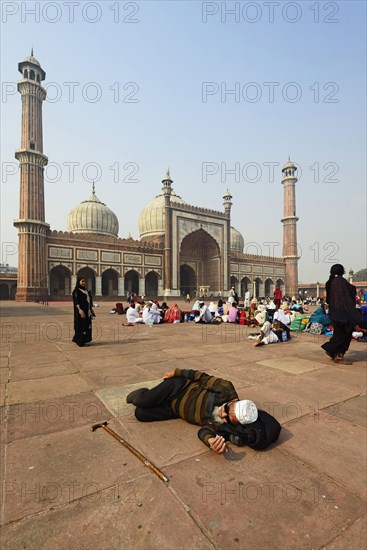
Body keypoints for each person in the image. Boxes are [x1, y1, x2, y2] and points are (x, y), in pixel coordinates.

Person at [126, 369, 281, 453]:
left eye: (227, 419)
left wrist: (210, 442)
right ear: (234, 402)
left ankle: (149, 397)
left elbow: (204, 432)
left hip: (173, 409)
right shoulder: (225, 388)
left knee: (141, 414)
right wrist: (176, 373)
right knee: (143, 401)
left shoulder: (224, 423)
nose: (223, 415)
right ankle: (142, 393)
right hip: (178, 387)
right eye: (226, 410)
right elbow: (200, 376)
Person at [321, 264, 363, 364]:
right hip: (343, 313)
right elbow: (350, 291)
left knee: (338, 334)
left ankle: (333, 352)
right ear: (342, 271)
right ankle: (336, 353)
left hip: (335, 312)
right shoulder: (340, 282)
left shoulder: (330, 282)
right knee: (343, 335)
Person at [72, 277, 95, 346]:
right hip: (80, 311)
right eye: (82, 281)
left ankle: (82, 339)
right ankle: (80, 341)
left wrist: (91, 309)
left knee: (87, 325)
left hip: (87, 311)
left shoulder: (86, 291)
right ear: (79, 282)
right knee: (80, 325)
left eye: (85, 281)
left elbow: (89, 301)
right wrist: (80, 311)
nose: (84, 283)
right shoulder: (76, 291)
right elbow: (76, 302)